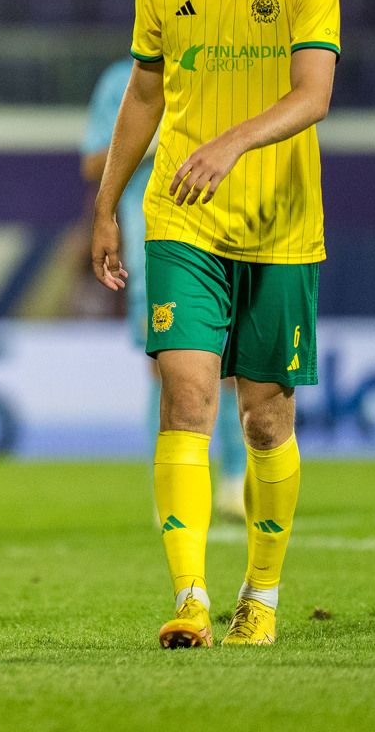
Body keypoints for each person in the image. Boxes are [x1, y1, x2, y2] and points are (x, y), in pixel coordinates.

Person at [90, 0, 340, 649]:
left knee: (266, 417)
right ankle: (191, 596)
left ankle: (259, 598)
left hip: (279, 224)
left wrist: (233, 143)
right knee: (187, 396)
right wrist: (105, 207)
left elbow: (314, 93)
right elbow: (147, 94)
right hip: (182, 218)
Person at [82, 59, 246, 517]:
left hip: (222, 227)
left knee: (227, 360)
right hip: (152, 235)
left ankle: (235, 481)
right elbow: (92, 160)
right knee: (165, 363)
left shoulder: (218, 63)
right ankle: (170, 485)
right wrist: (150, 141)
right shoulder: (121, 80)